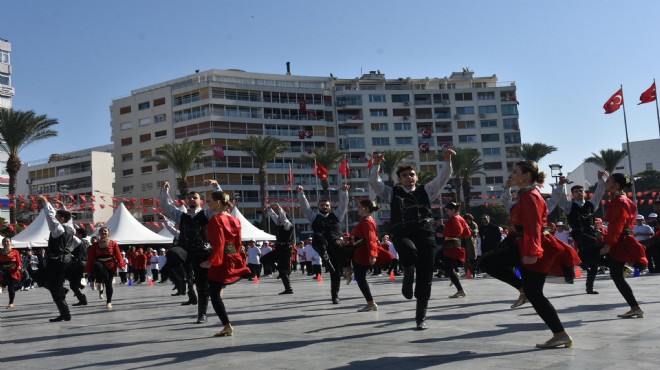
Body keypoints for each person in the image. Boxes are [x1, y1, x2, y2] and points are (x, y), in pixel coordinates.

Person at [479, 161, 580, 348]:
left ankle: (560, 334)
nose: (512, 174)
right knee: (488, 263)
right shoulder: (525, 194)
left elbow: (534, 225)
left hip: (532, 246)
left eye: (515, 171)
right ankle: (558, 331)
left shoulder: (530, 196)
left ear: (526, 176)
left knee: (534, 293)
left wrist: (532, 251)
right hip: (520, 243)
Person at [368, 149, 454, 330]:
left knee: (425, 277)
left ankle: (420, 317)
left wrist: (447, 160)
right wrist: (376, 164)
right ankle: (408, 271)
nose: (409, 177)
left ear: (417, 177)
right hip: (403, 232)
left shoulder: (427, 190)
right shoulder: (392, 193)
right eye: (405, 175)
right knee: (408, 251)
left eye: (412, 174)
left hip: (425, 232)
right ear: (399, 178)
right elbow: (374, 183)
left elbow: (442, 178)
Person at [160, 179, 222, 324]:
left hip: (202, 253)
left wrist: (215, 186)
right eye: (189, 198)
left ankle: (202, 314)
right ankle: (177, 278)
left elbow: (219, 205)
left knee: (202, 285)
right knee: (173, 253)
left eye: (195, 198)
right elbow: (166, 206)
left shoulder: (207, 214)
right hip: (185, 250)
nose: (191, 199)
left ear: (201, 201)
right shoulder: (182, 216)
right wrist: (164, 191)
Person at [201, 190, 251, 337]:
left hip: (221, 259)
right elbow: (238, 243)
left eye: (209, 201)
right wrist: (238, 257)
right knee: (215, 291)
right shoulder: (235, 220)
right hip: (232, 257)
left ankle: (227, 326)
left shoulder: (216, 219)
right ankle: (226, 326)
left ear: (218, 202)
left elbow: (219, 243)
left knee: (214, 293)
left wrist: (211, 261)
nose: (208, 203)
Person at [598, 173, 647, 319]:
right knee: (617, 276)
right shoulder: (625, 200)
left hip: (618, 242)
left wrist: (608, 244)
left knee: (585, 255)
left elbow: (617, 225)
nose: (606, 183)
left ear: (616, 185)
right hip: (622, 239)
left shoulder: (618, 201)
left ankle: (635, 307)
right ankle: (635, 308)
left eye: (608, 181)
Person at [297, 183, 350, 304]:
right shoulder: (313, 216)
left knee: (335, 272)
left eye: (327, 205)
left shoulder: (337, 215)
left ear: (330, 207)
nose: (324, 207)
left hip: (334, 246)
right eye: (322, 205)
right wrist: (301, 194)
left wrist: (344, 192)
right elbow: (305, 208)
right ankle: (325, 259)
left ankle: (335, 296)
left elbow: (344, 206)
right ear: (318, 207)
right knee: (318, 235)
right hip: (320, 244)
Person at [556, 172, 607, 294]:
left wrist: (600, 179)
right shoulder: (569, 206)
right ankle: (581, 260)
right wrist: (561, 185)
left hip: (591, 232)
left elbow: (599, 193)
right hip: (578, 234)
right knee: (594, 243)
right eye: (576, 191)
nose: (579, 193)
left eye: (581, 191)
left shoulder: (591, 204)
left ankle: (589, 288)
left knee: (593, 266)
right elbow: (560, 198)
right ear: (572, 194)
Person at [347, 199, 394, 312]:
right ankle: (370, 302)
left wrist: (372, 254)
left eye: (359, 207)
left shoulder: (367, 221)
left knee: (360, 278)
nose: (357, 209)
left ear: (366, 209)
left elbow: (371, 239)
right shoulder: (365, 220)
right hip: (360, 251)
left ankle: (371, 303)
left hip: (363, 252)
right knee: (360, 278)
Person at [85, 227, 124, 310]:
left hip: (110, 265)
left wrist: (121, 264)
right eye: (101, 231)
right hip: (99, 263)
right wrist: (88, 270)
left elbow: (118, 255)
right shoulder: (95, 245)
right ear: (99, 234)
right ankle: (99, 281)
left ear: (108, 233)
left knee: (108, 283)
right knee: (96, 265)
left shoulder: (113, 243)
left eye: (105, 231)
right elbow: (91, 258)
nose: (103, 232)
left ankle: (108, 302)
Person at [440, 202, 472, 298]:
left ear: (453, 210)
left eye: (448, 211)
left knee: (445, 266)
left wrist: (446, 234)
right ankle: (455, 278)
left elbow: (458, 231)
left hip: (450, 246)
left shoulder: (454, 218)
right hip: (454, 245)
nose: (447, 213)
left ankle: (458, 285)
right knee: (446, 267)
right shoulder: (461, 218)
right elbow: (467, 233)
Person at [262, 204, 295, 294]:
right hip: (279, 248)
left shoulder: (287, 224)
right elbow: (274, 217)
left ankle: (288, 289)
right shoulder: (280, 223)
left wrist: (279, 208)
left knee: (284, 272)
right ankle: (279, 269)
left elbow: (283, 217)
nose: (278, 218)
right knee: (264, 259)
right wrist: (269, 210)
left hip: (286, 249)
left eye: (280, 216)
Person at [68, 228, 90, 306]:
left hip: (78, 264)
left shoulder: (78, 242)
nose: (75, 234)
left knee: (73, 284)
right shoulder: (86, 242)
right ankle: (81, 297)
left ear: (80, 235)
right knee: (74, 283)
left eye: (76, 233)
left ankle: (82, 299)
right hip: (83, 263)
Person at [0, 237, 22, 310]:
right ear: (2, 243)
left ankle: (11, 303)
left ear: (10, 242)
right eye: (4, 242)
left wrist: (19, 266)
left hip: (13, 271)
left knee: (10, 287)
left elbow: (19, 261)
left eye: (7, 241)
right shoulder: (0, 252)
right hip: (3, 271)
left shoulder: (15, 252)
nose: (6, 243)